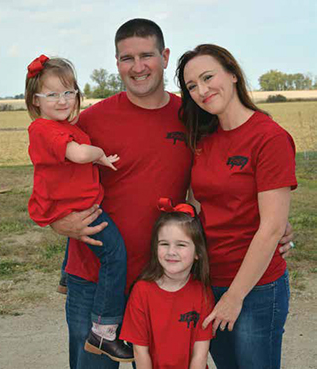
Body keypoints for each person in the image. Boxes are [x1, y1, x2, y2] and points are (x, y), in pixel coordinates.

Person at [50, 19, 295, 369]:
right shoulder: (92, 120)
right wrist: (59, 223)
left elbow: (231, 187)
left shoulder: (191, 118)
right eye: (127, 58)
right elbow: (50, 178)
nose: (138, 67)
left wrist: (277, 229)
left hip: (163, 277)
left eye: (147, 55)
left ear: (164, 57)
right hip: (95, 277)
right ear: (116, 62)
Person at [176, 44, 297, 369]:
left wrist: (234, 296)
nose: (201, 90)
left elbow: (272, 227)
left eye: (207, 77)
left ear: (232, 74)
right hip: (208, 281)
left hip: (256, 288)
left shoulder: (269, 138)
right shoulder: (203, 139)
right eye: (191, 86)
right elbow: (197, 205)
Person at [25, 55, 133, 362]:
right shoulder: (46, 130)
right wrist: (98, 153)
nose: (63, 100)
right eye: (53, 94)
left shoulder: (61, 125)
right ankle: (104, 329)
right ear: (36, 99)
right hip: (78, 209)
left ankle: (64, 275)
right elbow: (77, 154)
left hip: (77, 202)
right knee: (115, 255)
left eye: (68, 92)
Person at [120, 198, 214, 369]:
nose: (171, 252)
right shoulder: (142, 291)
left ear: (197, 253)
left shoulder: (202, 292)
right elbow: (140, 352)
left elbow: (200, 354)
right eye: (164, 244)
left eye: (181, 245)